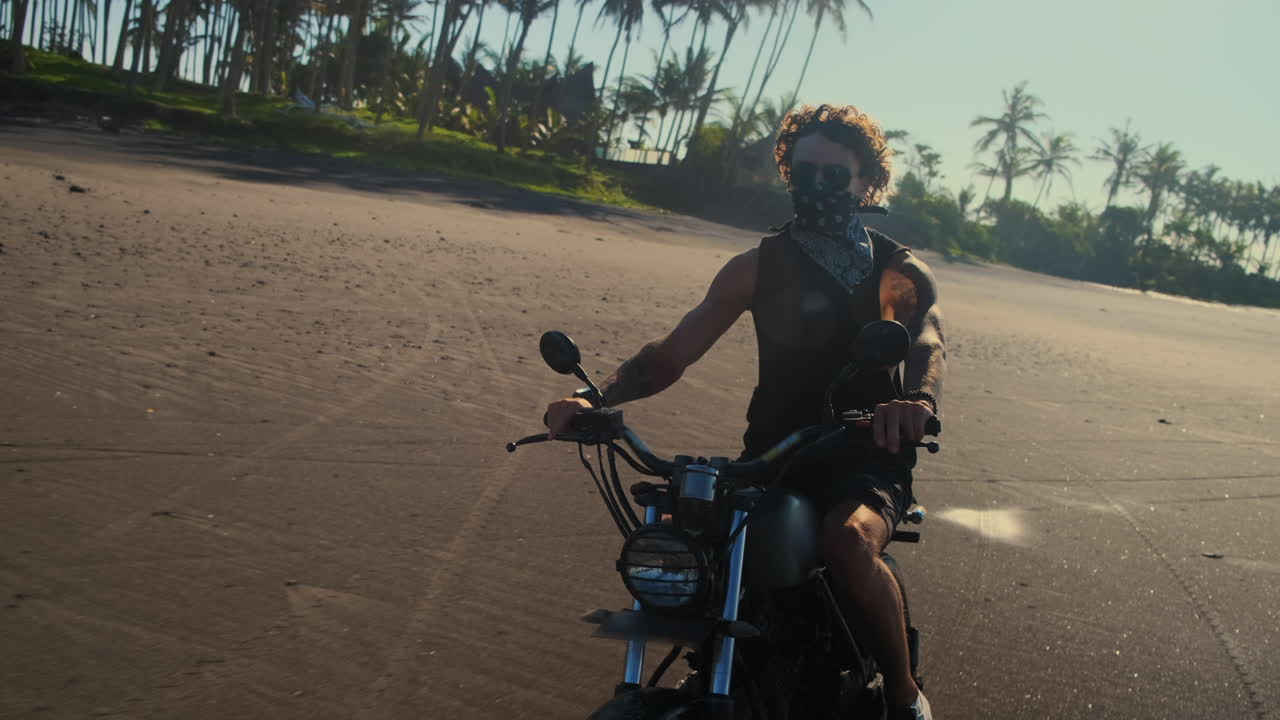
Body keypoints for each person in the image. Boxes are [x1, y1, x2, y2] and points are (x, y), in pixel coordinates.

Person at [546, 103, 944, 720]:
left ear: (867, 182)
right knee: (688, 536)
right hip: (773, 456)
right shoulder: (756, 268)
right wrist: (593, 399)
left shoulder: (897, 270)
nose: (817, 185)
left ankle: (903, 693)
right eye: (804, 172)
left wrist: (915, 401)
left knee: (847, 541)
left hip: (867, 450)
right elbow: (670, 355)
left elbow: (925, 340)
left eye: (834, 174)